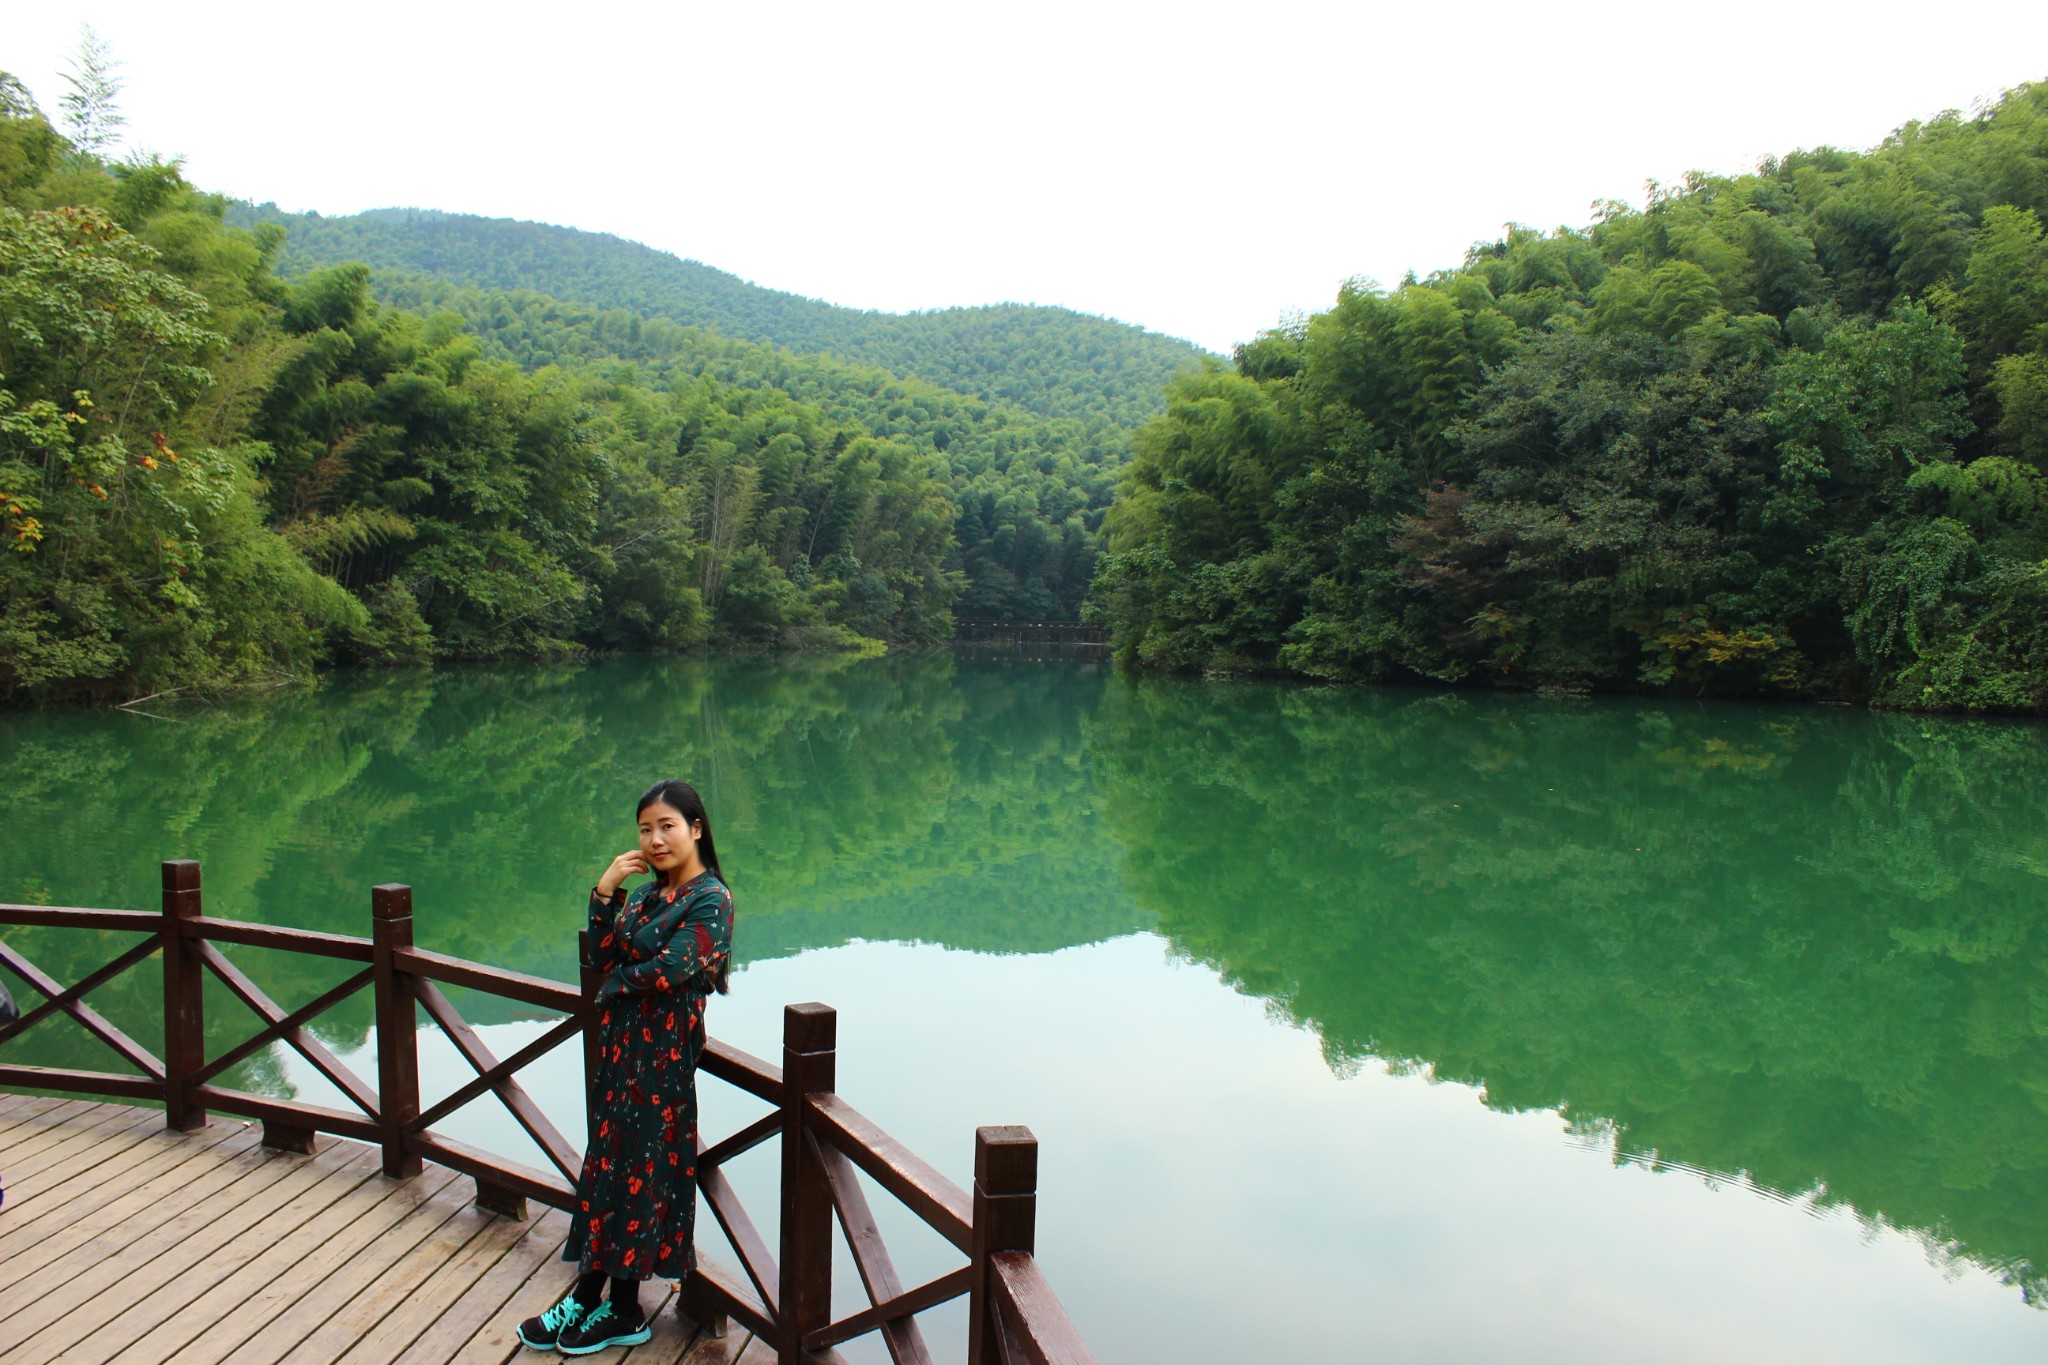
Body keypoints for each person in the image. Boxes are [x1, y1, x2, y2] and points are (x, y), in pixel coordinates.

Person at [517, 779, 734, 1355]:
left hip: (663, 1066)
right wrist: (606, 890)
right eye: (646, 828)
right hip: (620, 1058)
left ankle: (626, 1307)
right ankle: (588, 1295)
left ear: (695, 828)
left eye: (667, 826)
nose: (656, 839)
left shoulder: (712, 899)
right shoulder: (642, 897)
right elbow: (600, 955)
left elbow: (673, 967)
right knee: (606, 1174)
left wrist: (618, 982)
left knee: (641, 1178)